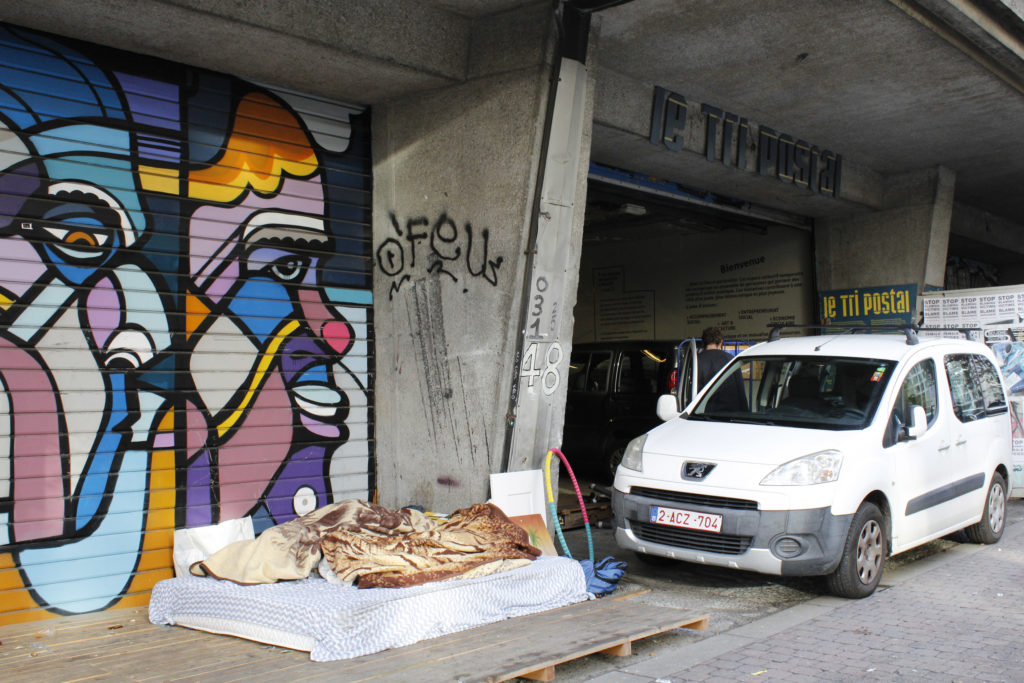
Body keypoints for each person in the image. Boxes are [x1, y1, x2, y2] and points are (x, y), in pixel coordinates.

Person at [698, 327, 747, 412]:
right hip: (730, 414)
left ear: (703, 342)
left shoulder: (697, 360)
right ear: (721, 342)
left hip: (703, 414)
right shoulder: (731, 359)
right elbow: (740, 390)